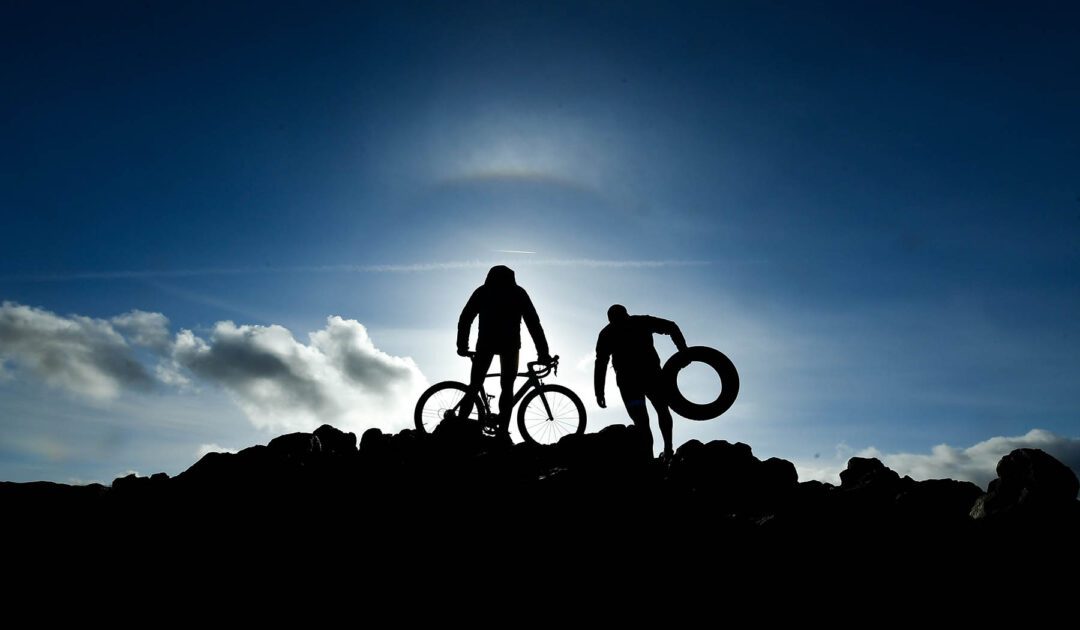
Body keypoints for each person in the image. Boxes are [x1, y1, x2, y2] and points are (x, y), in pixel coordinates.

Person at [456, 265, 551, 439]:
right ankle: (502, 433)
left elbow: (466, 317)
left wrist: (462, 345)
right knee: (507, 388)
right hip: (510, 345)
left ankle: (459, 426)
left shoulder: (483, 291)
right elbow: (533, 324)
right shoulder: (518, 292)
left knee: (475, 385)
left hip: (486, 343)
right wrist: (543, 353)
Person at [594, 304, 687, 459]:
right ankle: (664, 452)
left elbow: (601, 362)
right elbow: (671, 326)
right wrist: (683, 351)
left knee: (647, 419)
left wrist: (599, 391)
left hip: (633, 380)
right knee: (655, 414)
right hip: (645, 377)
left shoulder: (608, 332)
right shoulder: (639, 322)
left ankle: (662, 452)